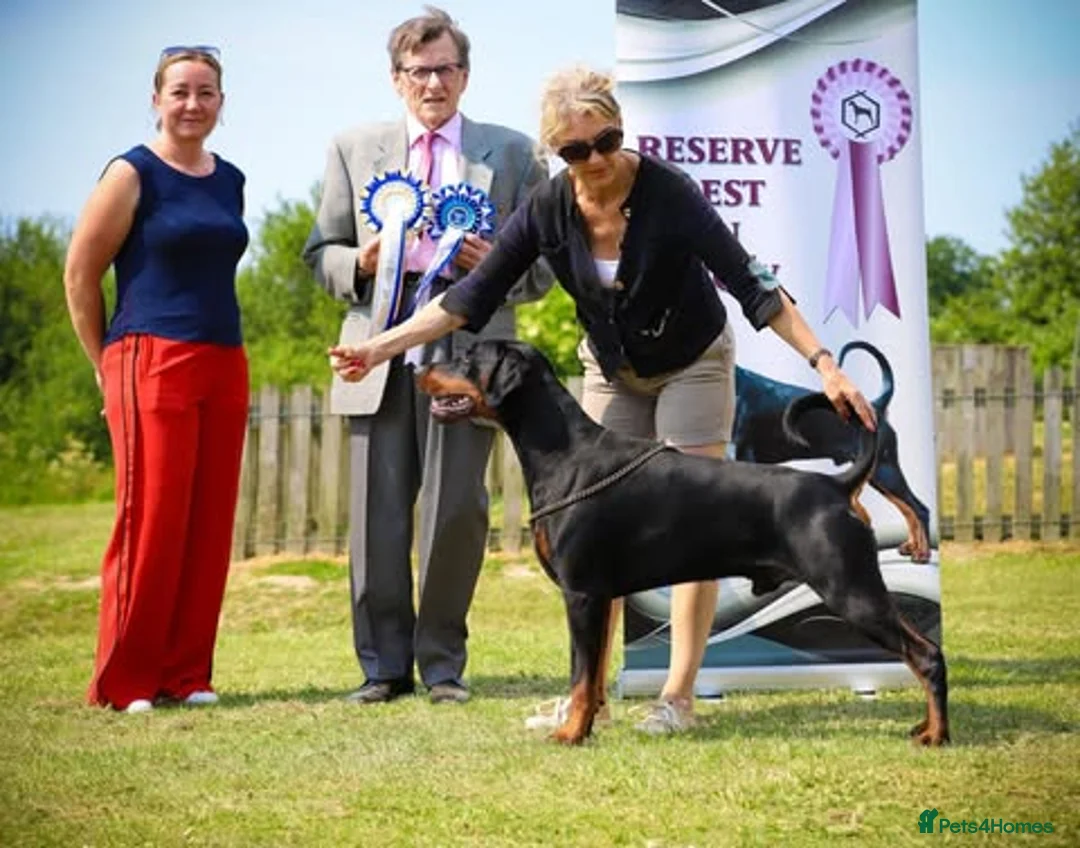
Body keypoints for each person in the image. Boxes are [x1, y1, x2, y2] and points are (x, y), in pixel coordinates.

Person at [328, 66, 876, 732]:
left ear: (621, 128)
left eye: (606, 140)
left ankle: (677, 696)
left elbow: (753, 285)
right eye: (575, 150)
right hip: (614, 368)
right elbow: (466, 300)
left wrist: (824, 363)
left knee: (697, 517)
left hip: (693, 359)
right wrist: (380, 348)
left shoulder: (669, 193)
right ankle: (590, 696)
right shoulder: (550, 207)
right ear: (555, 153)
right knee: (592, 529)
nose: (595, 160)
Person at [302, 7, 553, 705]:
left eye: (445, 68)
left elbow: (541, 272)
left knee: (457, 512)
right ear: (397, 79)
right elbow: (319, 256)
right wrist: (364, 259)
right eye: (419, 71)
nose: (433, 83)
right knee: (378, 512)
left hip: (470, 349)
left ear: (465, 75)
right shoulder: (353, 148)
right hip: (375, 348)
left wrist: (491, 263)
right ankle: (383, 668)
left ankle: (442, 665)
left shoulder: (511, 152)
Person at [64, 47, 249, 713]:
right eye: (179, 91)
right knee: (152, 520)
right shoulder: (130, 172)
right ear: (156, 99)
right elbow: (80, 274)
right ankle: (126, 679)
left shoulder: (230, 179)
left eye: (205, 92)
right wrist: (104, 361)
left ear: (221, 102)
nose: (192, 103)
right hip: (150, 357)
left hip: (224, 359)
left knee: (207, 522)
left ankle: (185, 673)